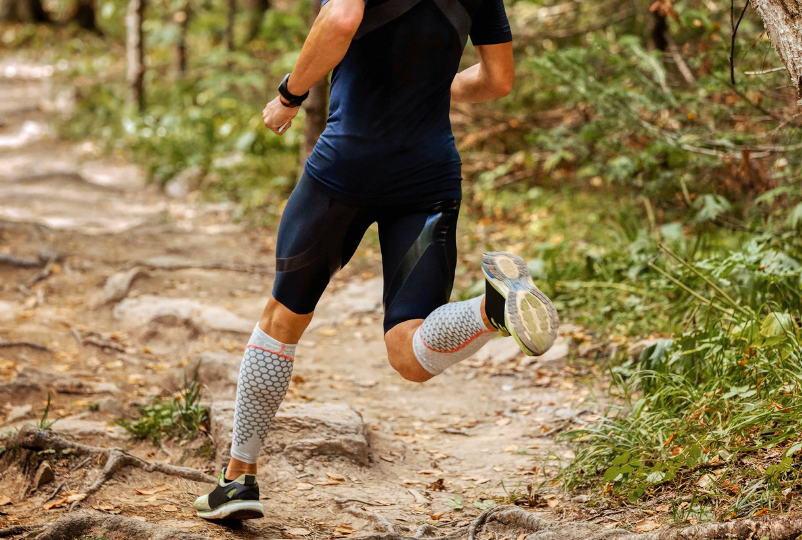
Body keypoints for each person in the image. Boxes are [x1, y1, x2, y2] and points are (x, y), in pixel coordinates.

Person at [193, 0, 559, 521]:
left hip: (347, 166)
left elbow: (341, 20)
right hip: (429, 176)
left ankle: (237, 480)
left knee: (283, 319)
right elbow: (499, 80)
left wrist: (290, 94)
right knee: (410, 351)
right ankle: (492, 311)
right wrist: (439, 88)